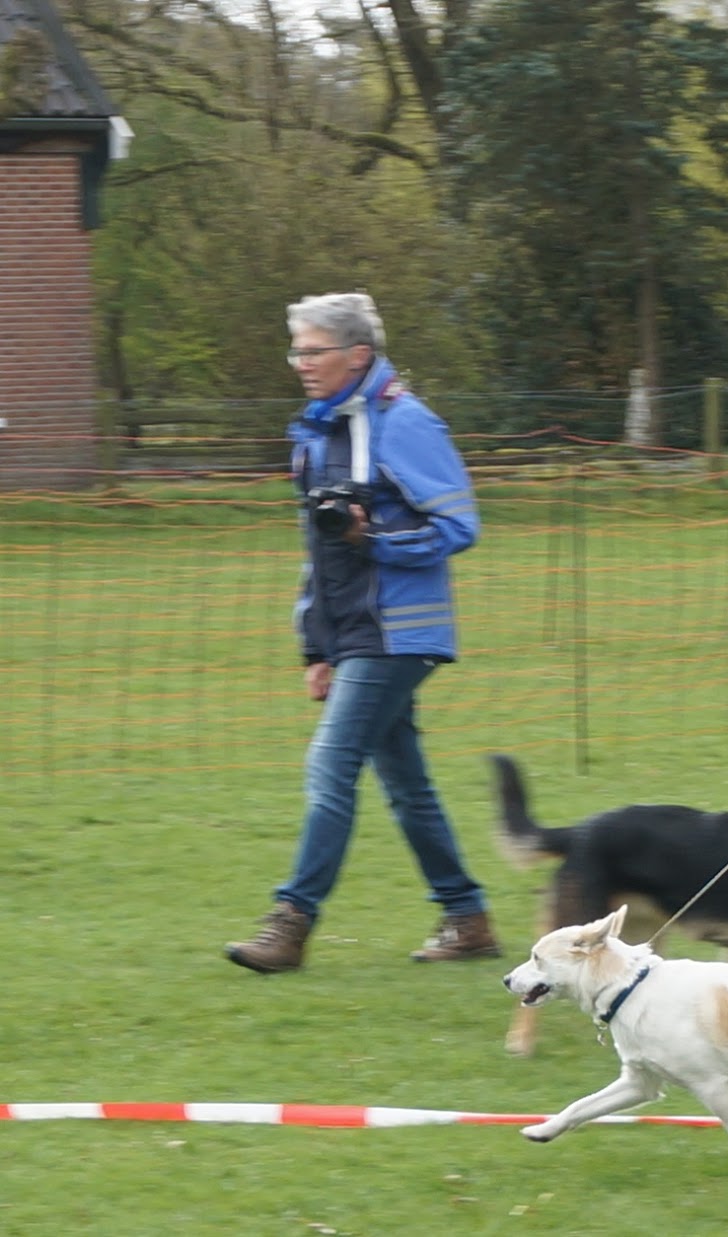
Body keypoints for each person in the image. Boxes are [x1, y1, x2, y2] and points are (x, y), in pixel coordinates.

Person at [226, 292, 500, 973]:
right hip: (352, 634)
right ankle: (467, 918)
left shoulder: (405, 423)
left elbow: (459, 526)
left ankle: (291, 921)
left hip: (400, 631)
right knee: (405, 783)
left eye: (313, 351)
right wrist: (316, 646)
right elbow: (318, 554)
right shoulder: (316, 434)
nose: (301, 363)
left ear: (357, 355)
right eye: (296, 351)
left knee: (331, 764)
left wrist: (372, 539)